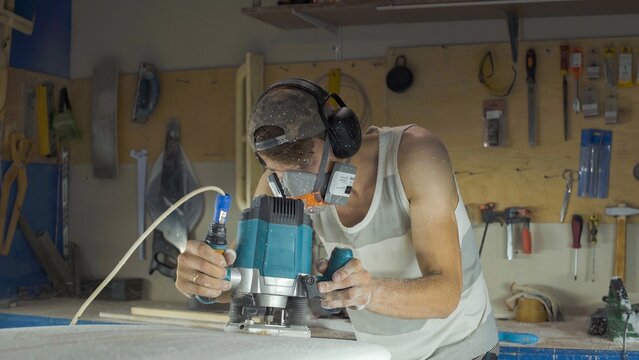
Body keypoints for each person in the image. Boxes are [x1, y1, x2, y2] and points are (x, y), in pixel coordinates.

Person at [175, 78, 499, 359]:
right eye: (277, 172)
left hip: (462, 352)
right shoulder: (280, 187)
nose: (294, 189)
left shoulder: (417, 156)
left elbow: (445, 294)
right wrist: (208, 279)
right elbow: (247, 279)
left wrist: (367, 292)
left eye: (305, 166)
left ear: (342, 138)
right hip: (379, 355)